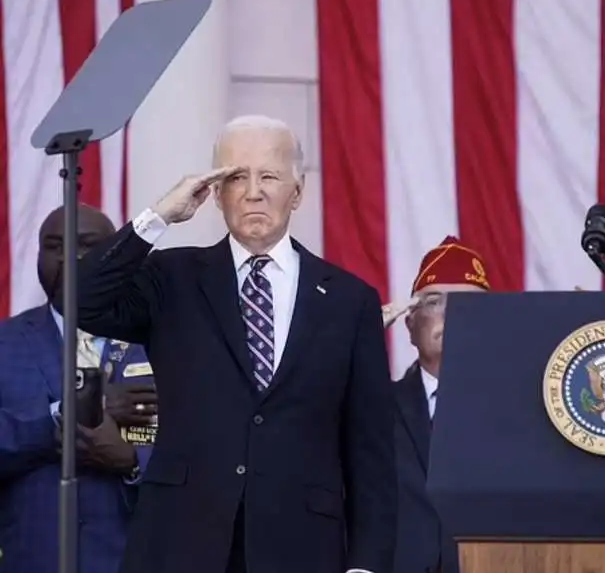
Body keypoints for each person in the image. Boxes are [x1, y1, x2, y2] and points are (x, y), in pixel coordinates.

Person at [56, 115, 396, 573]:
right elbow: (79, 299)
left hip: (301, 548)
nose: (253, 191)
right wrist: (158, 217)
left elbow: (370, 451)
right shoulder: (172, 278)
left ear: (297, 192)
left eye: (269, 176)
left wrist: (366, 565)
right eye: (236, 177)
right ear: (215, 193)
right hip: (181, 543)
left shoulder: (350, 301)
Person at [0, 204, 157, 573]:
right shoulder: (5, 344)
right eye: (55, 245)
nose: (70, 257)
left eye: (88, 244)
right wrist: (65, 416)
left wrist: (132, 462)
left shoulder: (164, 340)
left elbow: (201, 451)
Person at [389, 235, 491, 573]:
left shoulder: (520, 410)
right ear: (410, 325)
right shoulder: (372, 405)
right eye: (435, 301)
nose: (453, 314)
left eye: (469, 305)